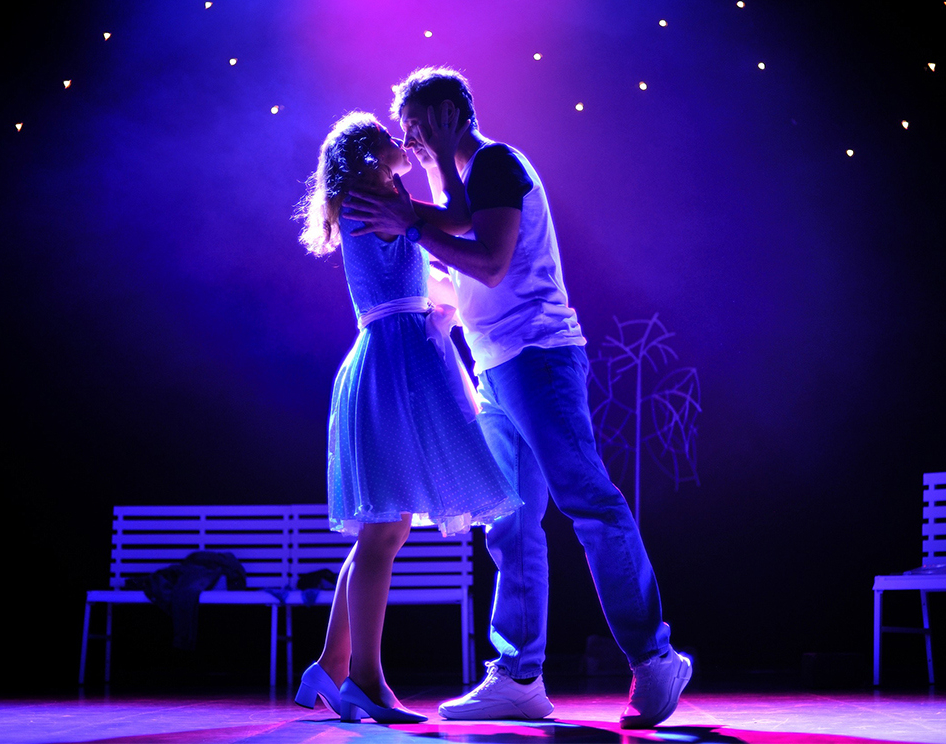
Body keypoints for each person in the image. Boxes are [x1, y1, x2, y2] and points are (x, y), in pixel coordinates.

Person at [342, 67, 692, 729]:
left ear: (447, 115)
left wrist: (413, 223)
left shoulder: (497, 164)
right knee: (509, 520)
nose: (407, 142)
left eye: (414, 127)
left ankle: (654, 657)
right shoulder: (458, 182)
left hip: (538, 356)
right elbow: (454, 245)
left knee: (588, 501)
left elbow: (491, 262)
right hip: (497, 365)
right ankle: (520, 675)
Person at [293, 110, 523, 724]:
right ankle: (365, 680)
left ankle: (333, 664)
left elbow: (428, 268)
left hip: (395, 360)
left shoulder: (375, 202)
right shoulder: (372, 200)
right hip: (392, 366)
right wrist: (443, 157)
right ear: (369, 158)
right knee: (383, 530)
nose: (401, 144)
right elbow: (461, 218)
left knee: (384, 529)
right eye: (388, 138)